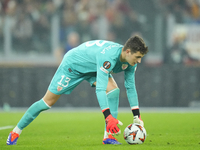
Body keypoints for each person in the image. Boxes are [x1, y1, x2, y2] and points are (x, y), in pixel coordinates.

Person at [6, 35, 148, 145]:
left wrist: (137, 115)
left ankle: (109, 136)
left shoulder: (131, 62)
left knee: (113, 90)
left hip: (92, 68)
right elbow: (99, 89)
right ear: (128, 51)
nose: (139, 61)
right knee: (47, 102)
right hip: (73, 66)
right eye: (138, 57)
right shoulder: (109, 58)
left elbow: (130, 87)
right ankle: (15, 132)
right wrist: (108, 116)